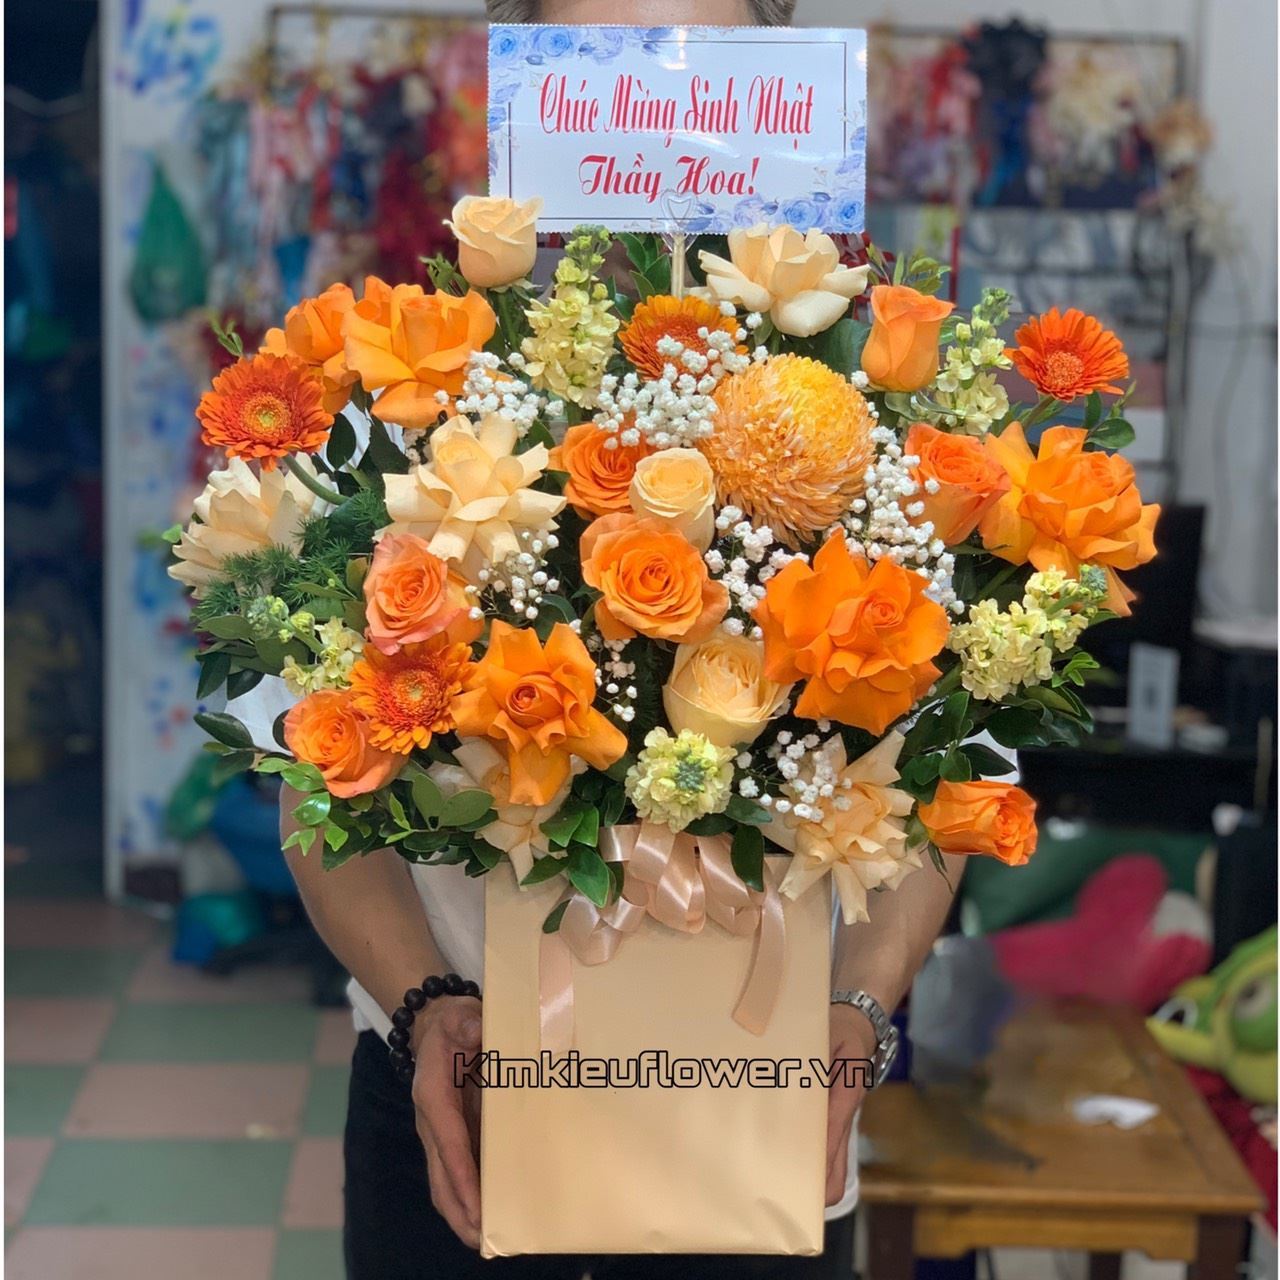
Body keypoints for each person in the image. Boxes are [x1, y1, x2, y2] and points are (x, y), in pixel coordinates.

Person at [281, 1, 976, 1276]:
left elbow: (950, 781)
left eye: (708, 71)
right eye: (601, 73)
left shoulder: (886, 440)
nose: (659, 123)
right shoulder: (410, 414)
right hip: (457, 1097)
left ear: (776, 67)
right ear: (526, 93)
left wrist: (855, 1009)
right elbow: (313, 777)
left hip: (759, 1100)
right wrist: (424, 1001)